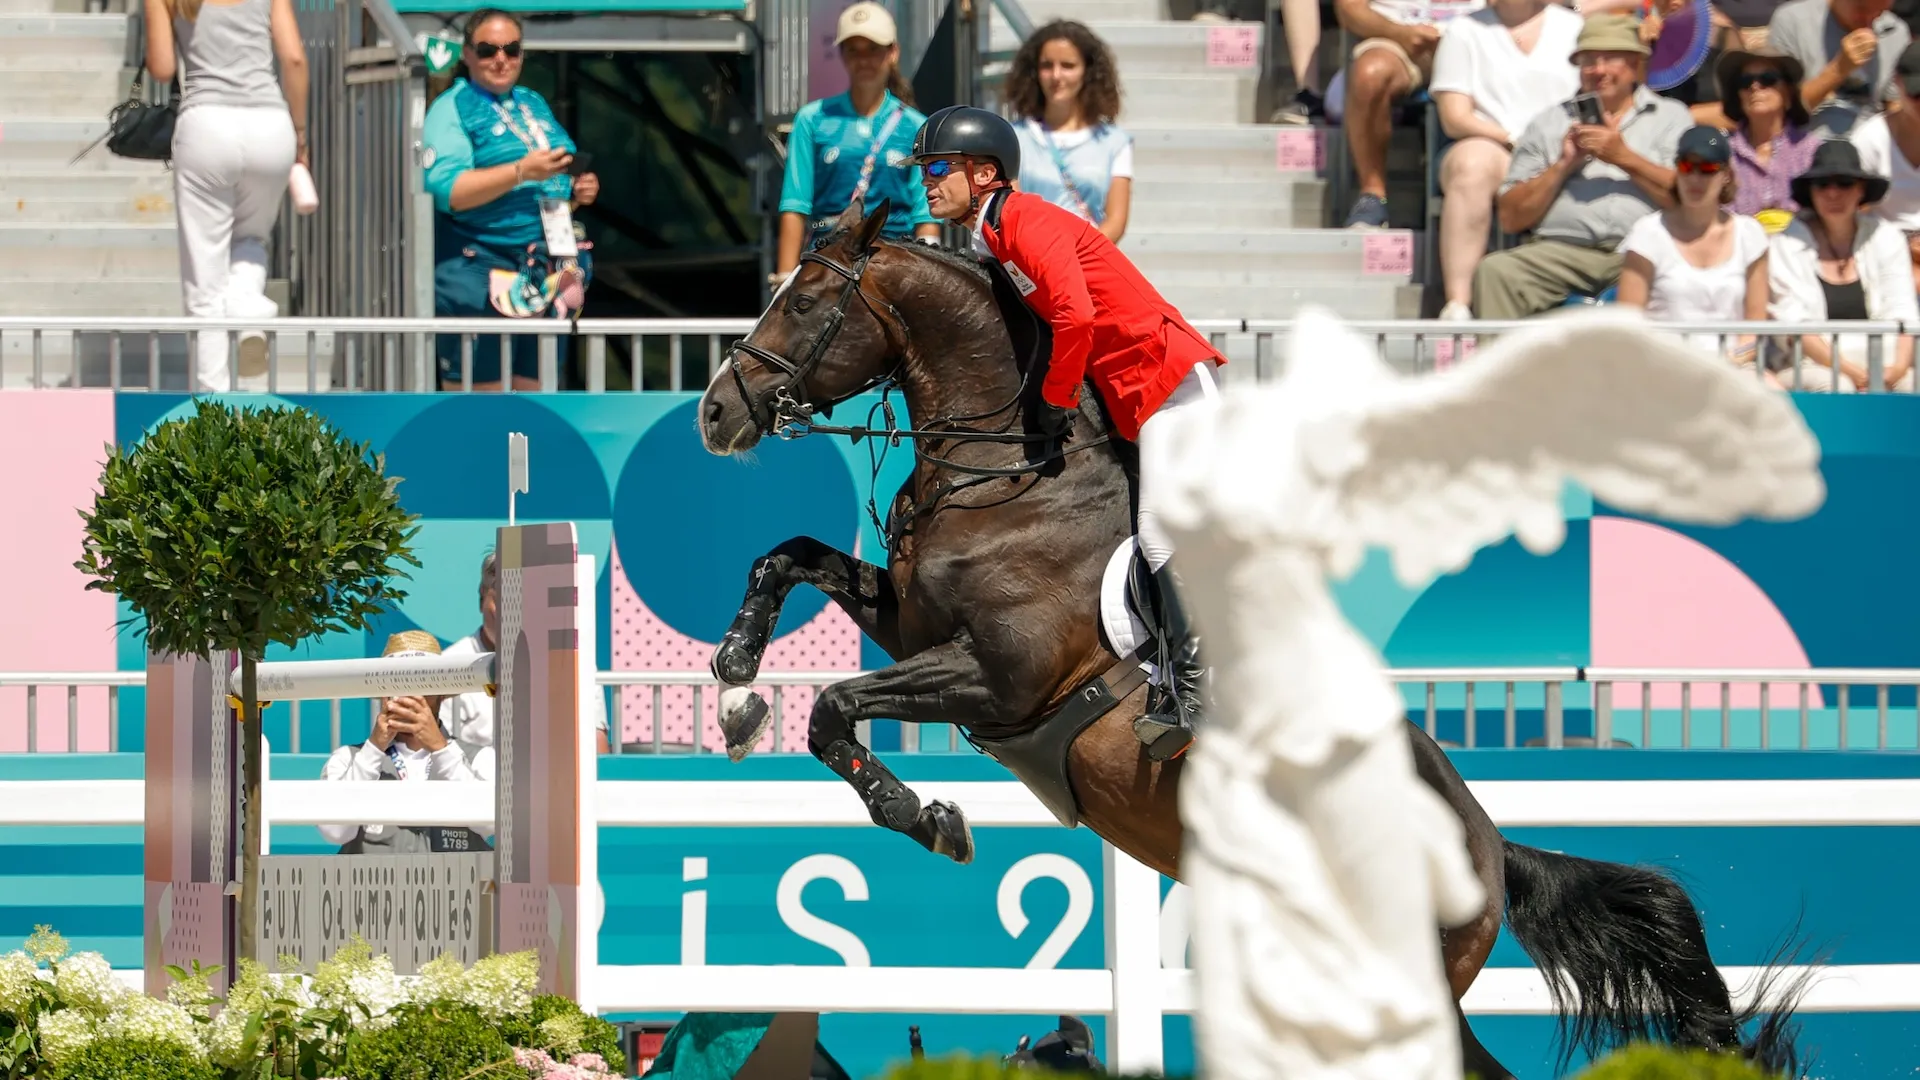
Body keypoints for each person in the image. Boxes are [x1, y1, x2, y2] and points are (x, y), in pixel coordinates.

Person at [904, 105, 1228, 760]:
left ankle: (1192, 692)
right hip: (1131, 395)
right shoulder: (989, 235)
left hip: (1167, 383)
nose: (927, 182)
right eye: (924, 171)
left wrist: (1052, 401)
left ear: (985, 172)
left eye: (939, 168)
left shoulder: (1023, 219)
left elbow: (1075, 318)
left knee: (1159, 532)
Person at [422, 8, 600, 391]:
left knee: (536, 399)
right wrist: (520, 171)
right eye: (487, 50)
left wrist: (577, 190)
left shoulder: (531, 102)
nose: (500, 59)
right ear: (467, 54)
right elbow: (446, 192)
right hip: (480, 271)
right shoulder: (453, 106)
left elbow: (555, 177)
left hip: (542, 271)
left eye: (511, 49)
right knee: (481, 403)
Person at [1474, 15, 1694, 317]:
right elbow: (1510, 218)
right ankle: (1502, 367)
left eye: (1610, 58)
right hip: (1561, 252)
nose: (1598, 70)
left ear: (1635, 65)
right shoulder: (1548, 123)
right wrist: (1564, 165)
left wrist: (1623, 157)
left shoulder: (1671, 117)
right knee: (1496, 272)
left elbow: (1688, 198)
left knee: (1689, 274)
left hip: (1644, 251)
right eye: (1589, 60)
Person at [142, 0, 307, 393]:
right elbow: (295, 60)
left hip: (207, 125)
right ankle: (248, 304)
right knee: (251, 239)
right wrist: (300, 134)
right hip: (270, 126)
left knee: (204, 275)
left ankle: (210, 400)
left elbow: (163, 68)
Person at [1427, 0, 1585, 319]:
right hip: (1495, 145)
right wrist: (1512, 139)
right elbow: (1454, 117)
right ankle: (1458, 303)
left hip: (1561, 147)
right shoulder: (1464, 30)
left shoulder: (1575, 27)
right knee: (1471, 165)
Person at [773, 2, 939, 290]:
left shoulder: (915, 125)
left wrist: (926, 284)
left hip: (893, 260)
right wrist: (785, 280)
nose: (864, 60)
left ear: (893, 53)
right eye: (854, 50)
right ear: (842, 55)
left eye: (873, 49)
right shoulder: (812, 119)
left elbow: (924, 213)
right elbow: (795, 204)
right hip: (828, 259)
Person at [319, 631, 493, 855]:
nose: (411, 694)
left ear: (442, 693)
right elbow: (334, 833)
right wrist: (374, 748)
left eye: (423, 682)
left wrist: (440, 749)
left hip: (455, 890)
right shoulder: (348, 758)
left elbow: (490, 825)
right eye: (398, 682)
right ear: (384, 693)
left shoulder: (481, 758)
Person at [1769, 138, 1918, 389]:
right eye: (1822, 184)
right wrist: (1854, 373)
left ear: (1861, 190)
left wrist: (1898, 369)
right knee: (1837, 386)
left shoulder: (1886, 237)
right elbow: (1795, 326)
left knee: (1911, 384)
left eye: (1844, 183)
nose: (1833, 193)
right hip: (1809, 364)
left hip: (1883, 359)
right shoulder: (1786, 243)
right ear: (1810, 192)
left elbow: (1904, 313)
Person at [1616, 126, 1771, 365]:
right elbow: (1629, 324)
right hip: (1666, 368)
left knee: (1776, 395)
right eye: (1687, 167)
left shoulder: (1749, 235)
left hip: (1734, 368)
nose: (1695, 179)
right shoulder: (1647, 234)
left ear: (1726, 174)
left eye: (1707, 169)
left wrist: (1728, 364)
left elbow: (1754, 331)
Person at [442, 549, 612, 756]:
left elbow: (597, 745)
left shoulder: (575, 662)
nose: (511, 614)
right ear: (481, 599)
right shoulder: (449, 664)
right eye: (502, 600)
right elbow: (434, 752)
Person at [1335, 0, 1487, 228]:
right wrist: (1398, 32)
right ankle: (1373, 195)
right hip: (1397, 38)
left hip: (1482, 37)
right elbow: (1349, 10)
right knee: (1370, 76)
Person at [1004, 20, 1135, 244]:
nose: (1056, 76)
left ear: (1088, 71)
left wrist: (1077, 258)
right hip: (1028, 261)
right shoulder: (1013, 137)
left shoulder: (1115, 142)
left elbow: (1116, 221)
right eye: (1047, 65)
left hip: (1088, 263)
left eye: (1068, 65)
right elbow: (1010, 210)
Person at [1766, 0, 1910, 133]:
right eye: (1861, 9)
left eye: (1879, 12)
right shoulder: (1792, 21)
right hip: (1809, 140)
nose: (1869, 20)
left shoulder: (1895, 30)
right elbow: (1780, 111)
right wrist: (1839, 69)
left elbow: (1896, 104)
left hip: (1870, 143)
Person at [1714, 48, 1819, 230]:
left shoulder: (1812, 150)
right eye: (1745, 82)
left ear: (1788, 93)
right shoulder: (1722, 153)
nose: (1755, 87)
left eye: (1767, 79)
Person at [1847, 39, 1920, 291]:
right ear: (1897, 82)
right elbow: (1850, 214)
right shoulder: (1869, 139)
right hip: (1881, 254)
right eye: (1916, 93)